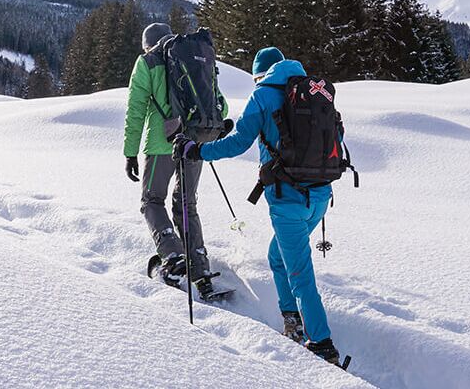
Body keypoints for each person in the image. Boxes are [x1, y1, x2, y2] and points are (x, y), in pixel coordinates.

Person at [172, 47, 342, 365]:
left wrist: (197, 150)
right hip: (320, 196)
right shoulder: (315, 91)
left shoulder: (262, 96)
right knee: (277, 257)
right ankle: (291, 318)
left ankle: (321, 343)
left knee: (300, 272)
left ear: (259, 75)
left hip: (287, 200)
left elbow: (238, 142)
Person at [122, 22, 229, 296]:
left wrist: (130, 152)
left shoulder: (147, 62)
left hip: (162, 144)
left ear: (147, 44)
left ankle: (172, 257)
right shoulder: (193, 56)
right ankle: (201, 270)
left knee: (151, 200)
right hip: (194, 142)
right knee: (186, 203)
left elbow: (136, 109)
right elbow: (221, 104)